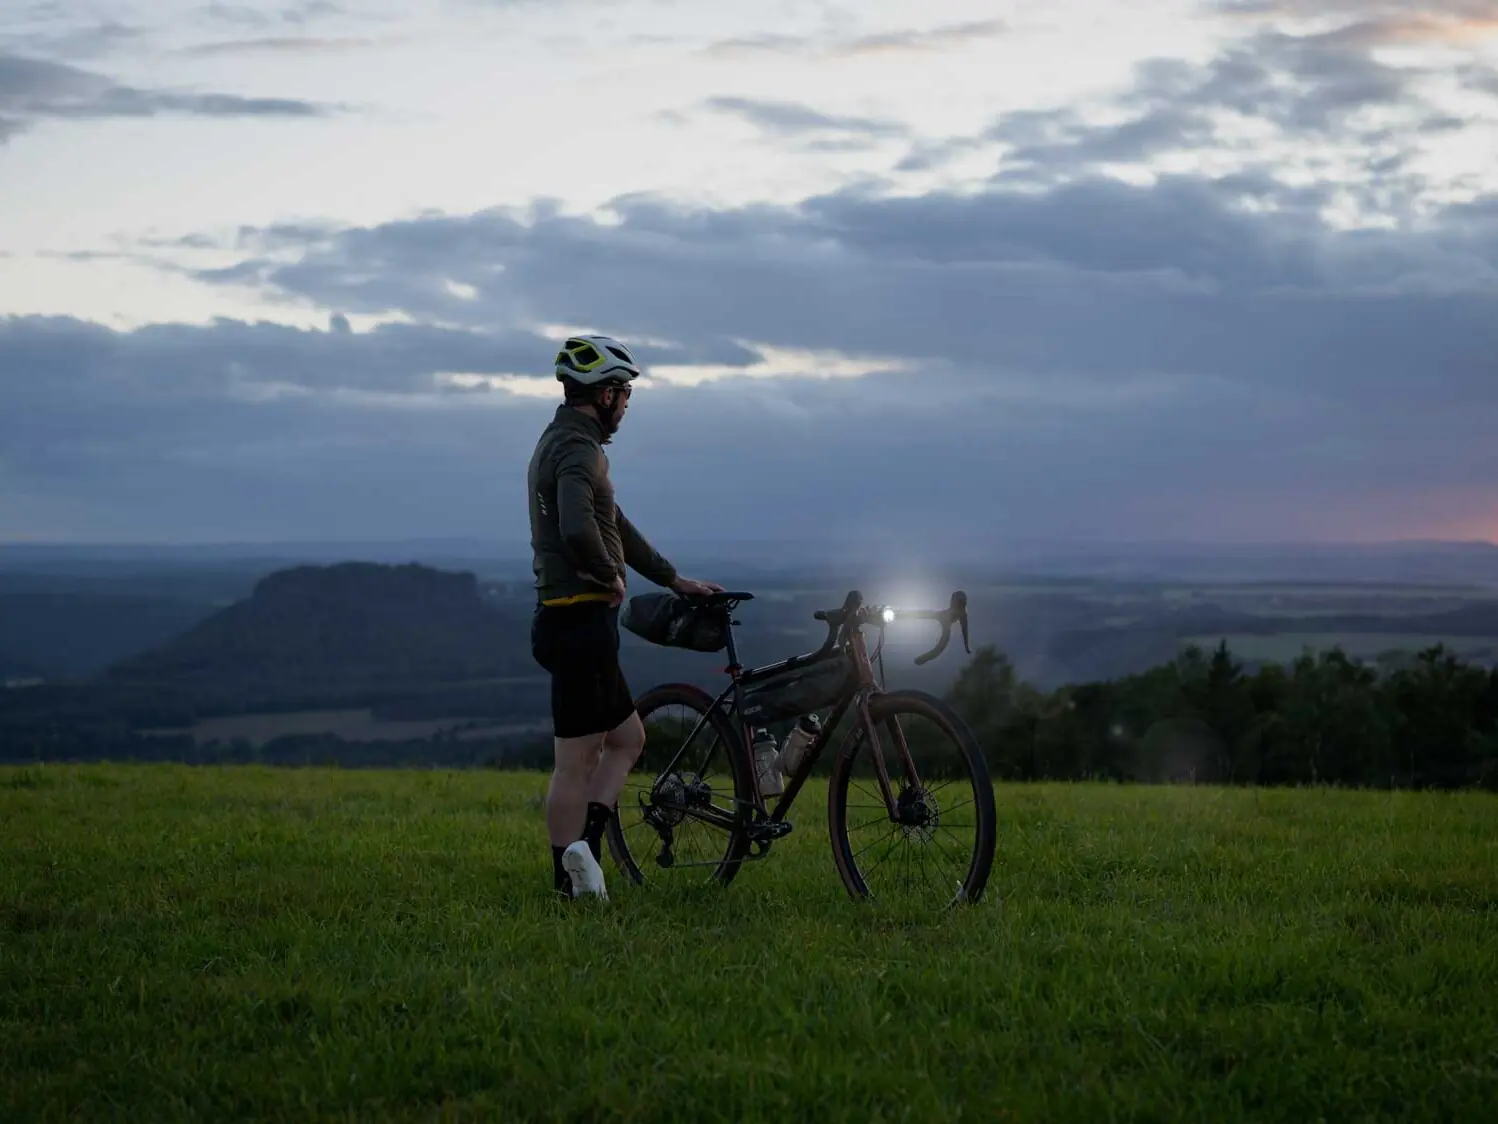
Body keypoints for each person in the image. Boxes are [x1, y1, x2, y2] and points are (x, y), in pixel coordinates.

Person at [526, 334, 723, 900]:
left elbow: (612, 520)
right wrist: (607, 573)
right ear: (605, 393)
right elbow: (577, 526)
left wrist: (670, 578)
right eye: (625, 393)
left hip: (575, 622)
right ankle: (567, 883)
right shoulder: (577, 450)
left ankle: (583, 852)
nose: (628, 405)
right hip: (578, 622)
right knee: (574, 762)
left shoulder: (565, 440)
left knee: (628, 738)